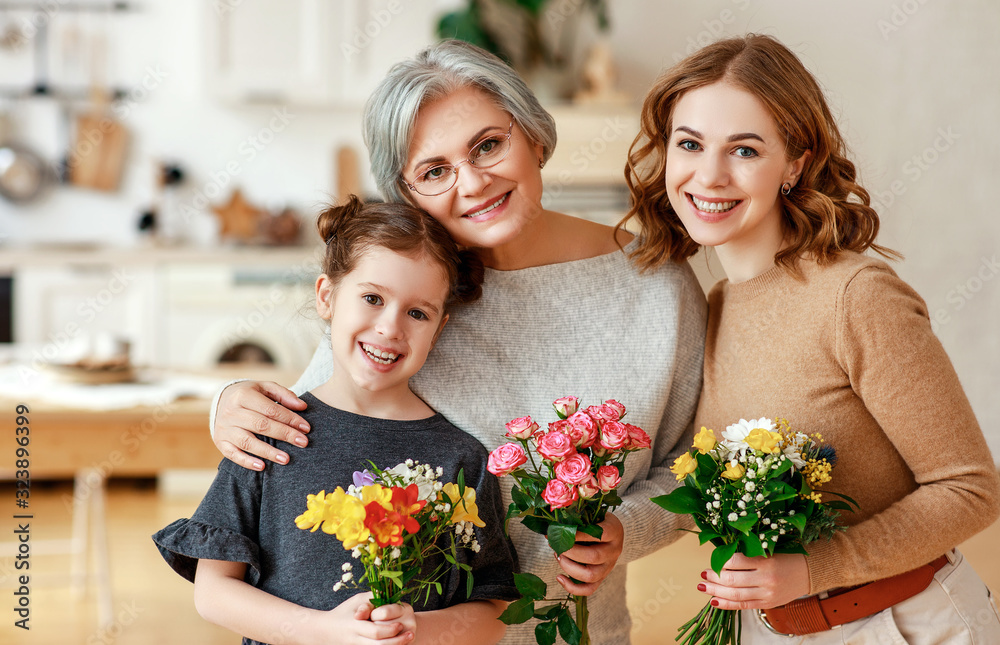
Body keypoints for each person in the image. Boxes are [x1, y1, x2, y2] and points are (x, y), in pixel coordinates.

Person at [209, 40, 707, 644]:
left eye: (488, 145)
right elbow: (309, 421)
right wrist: (229, 403)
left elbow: (688, 467)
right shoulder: (412, 297)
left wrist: (627, 527)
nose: (472, 182)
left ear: (533, 135)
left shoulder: (657, 285)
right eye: (434, 171)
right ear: (407, 193)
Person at [622, 33, 1000, 643]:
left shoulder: (856, 296)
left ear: (795, 163)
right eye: (689, 143)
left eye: (744, 150)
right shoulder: (713, 308)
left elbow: (971, 489)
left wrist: (812, 570)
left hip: (898, 624)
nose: (709, 175)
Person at [153, 196, 519, 645]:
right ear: (327, 296)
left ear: (438, 328)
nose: (390, 327)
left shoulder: (462, 457)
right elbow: (213, 591)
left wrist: (419, 629)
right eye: (372, 298)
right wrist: (324, 632)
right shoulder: (272, 433)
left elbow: (494, 607)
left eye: (417, 313)